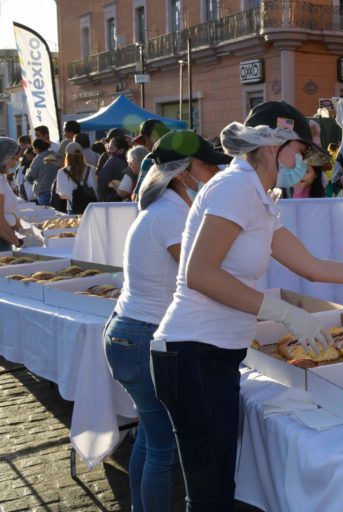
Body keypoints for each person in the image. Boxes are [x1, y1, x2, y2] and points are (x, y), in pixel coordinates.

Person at [150, 101, 343, 510]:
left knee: (217, 489)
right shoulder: (235, 187)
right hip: (193, 354)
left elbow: (310, 265)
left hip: (212, 356)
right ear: (275, 146)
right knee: (210, 497)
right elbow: (199, 273)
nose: (304, 165)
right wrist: (284, 313)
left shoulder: (258, 196)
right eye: (300, 152)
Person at [103, 130, 230, 512]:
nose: (213, 174)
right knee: (162, 447)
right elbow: (200, 275)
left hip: (130, 333)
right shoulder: (171, 215)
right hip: (141, 337)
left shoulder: (167, 209)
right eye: (208, 166)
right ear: (182, 172)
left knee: (150, 438)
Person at [54, 142, 98, 214]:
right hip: (91, 208)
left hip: (73, 208)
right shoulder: (92, 169)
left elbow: (62, 195)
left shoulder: (62, 172)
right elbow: (96, 189)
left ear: (67, 155)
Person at [133, 120, 171, 195]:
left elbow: (137, 196)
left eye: (143, 140)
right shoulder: (183, 158)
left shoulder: (149, 160)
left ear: (154, 136)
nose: (144, 145)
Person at [0, 138, 22, 251]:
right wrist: (17, 242)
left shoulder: (3, 179)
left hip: (6, 238)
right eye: (13, 157)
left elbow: (7, 209)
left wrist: (21, 229)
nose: (15, 162)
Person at [98, 134, 131, 202]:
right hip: (113, 202)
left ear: (121, 150)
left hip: (111, 202)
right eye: (108, 148)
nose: (109, 151)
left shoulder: (115, 161)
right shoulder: (119, 161)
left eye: (112, 149)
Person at [26, 139, 58, 206]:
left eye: (34, 149)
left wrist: (28, 174)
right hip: (56, 190)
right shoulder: (55, 154)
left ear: (37, 149)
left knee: (46, 214)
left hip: (43, 190)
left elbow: (30, 176)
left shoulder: (38, 159)